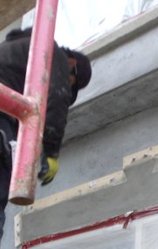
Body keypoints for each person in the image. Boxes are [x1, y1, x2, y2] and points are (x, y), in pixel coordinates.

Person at [0, 28, 92, 240]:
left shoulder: (14, 51)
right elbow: (57, 99)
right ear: (72, 66)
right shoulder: (52, 53)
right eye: (71, 85)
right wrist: (50, 153)